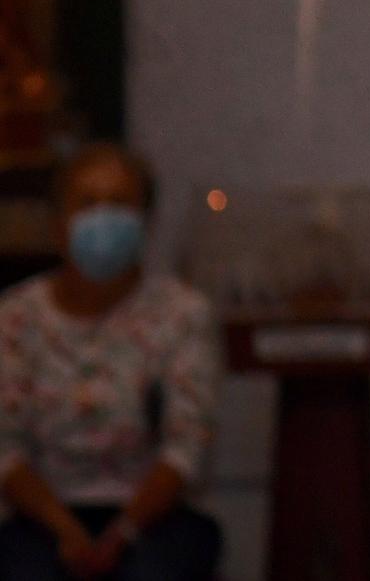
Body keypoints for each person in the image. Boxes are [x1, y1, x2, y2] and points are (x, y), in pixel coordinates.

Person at [0, 143, 223, 580]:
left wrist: (122, 533)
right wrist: (66, 531)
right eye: (87, 203)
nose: (103, 217)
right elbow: (5, 449)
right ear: (58, 221)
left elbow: (187, 447)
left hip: (155, 518)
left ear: (145, 220)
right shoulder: (15, 318)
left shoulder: (182, 315)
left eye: (119, 203)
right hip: (42, 515)